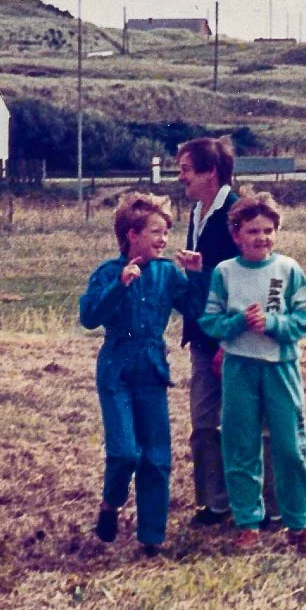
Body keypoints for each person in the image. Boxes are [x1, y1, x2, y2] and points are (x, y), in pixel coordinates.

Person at [198, 190, 306, 553]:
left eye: (268, 230)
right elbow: (210, 320)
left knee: (289, 445)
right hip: (239, 367)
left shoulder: (288, 269)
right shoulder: (225, 272)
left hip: (280, 367)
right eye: (252, 231)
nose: (261, 238)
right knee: (240, 444)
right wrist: (237, 323)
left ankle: (298, 521)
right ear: (236, 234)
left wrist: (273, 323)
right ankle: (247, 521)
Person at [78, 191, 200, 556]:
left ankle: (151, 538)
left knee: (157, 456)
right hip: (116, 367)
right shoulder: (107, 272)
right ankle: (110, 504)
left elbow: (195, 310)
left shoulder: (167, 273)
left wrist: (196, 277)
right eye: (156, 232)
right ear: (132, 234)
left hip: (152, 366)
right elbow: (89, 317)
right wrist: (120, 285)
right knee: (125, 452)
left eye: (166, 232)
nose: (164, 240)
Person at [174, 137, 277, 530]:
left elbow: (249, 280)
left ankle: (267, 504)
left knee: (251, 422)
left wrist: (228, 342)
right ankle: (213, 505)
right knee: (204, 422)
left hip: (237, 340)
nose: (181, 177)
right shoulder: (196, 212)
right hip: (204, 336)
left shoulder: (236, 212)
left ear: (211, 171)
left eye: (186, 169)